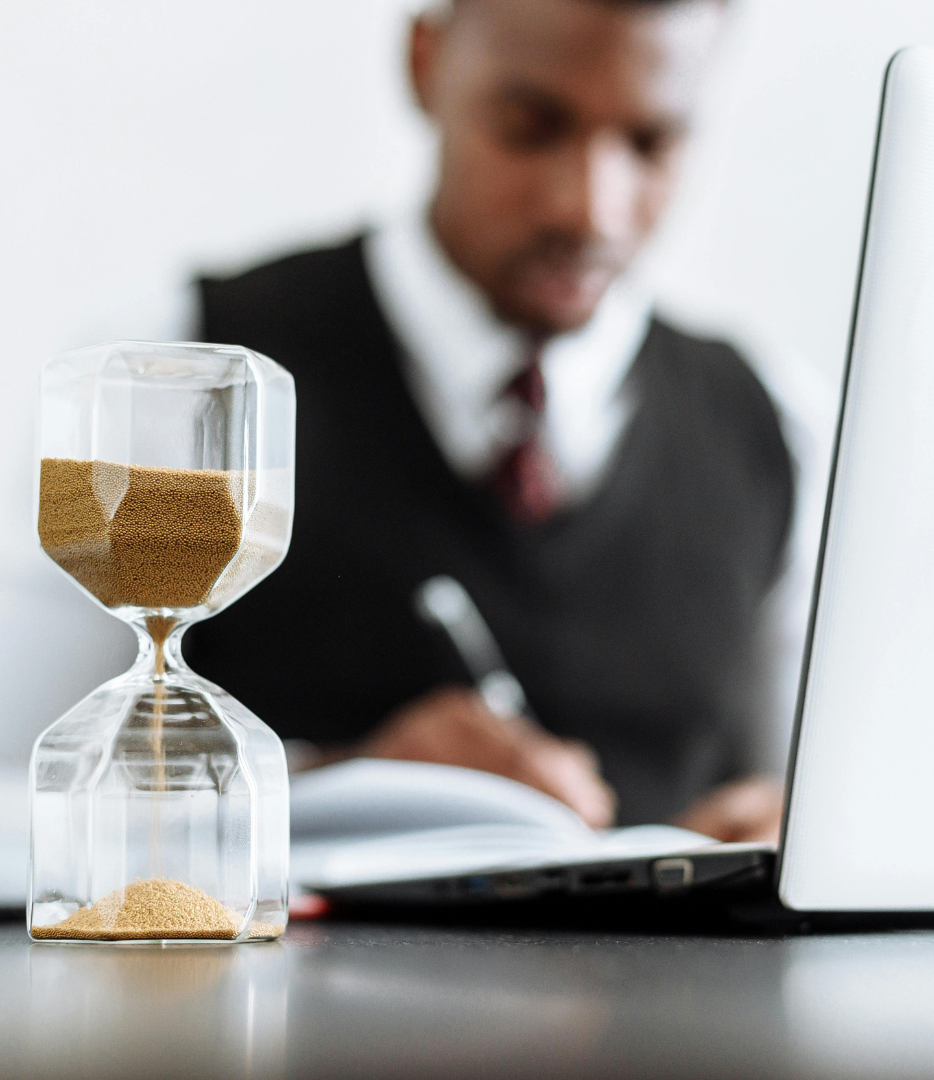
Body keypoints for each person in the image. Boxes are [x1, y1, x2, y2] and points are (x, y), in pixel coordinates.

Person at [186, 0, 825, 842]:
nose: (589, 210)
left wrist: (793, 829)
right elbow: (8, 796)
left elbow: (817, 797)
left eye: (651, 143)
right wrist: (332, 789)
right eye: (530, 127)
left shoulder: (778, 419)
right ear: (426, 64)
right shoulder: (190, 374)